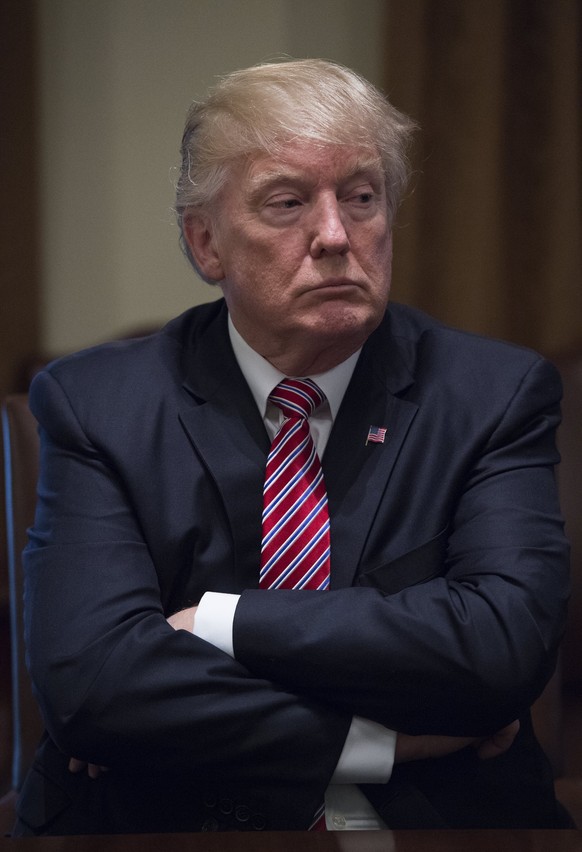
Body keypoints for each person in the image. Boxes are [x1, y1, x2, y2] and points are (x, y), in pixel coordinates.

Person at [14, 58, 570, 836]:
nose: (336, 235)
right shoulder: (98, 404)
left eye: (362, 196)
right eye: (287, 202)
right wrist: (384, 740)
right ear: (206, 243)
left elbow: (502, 650)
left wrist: (218, 623)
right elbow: (95, 689)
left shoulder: (491, 395)